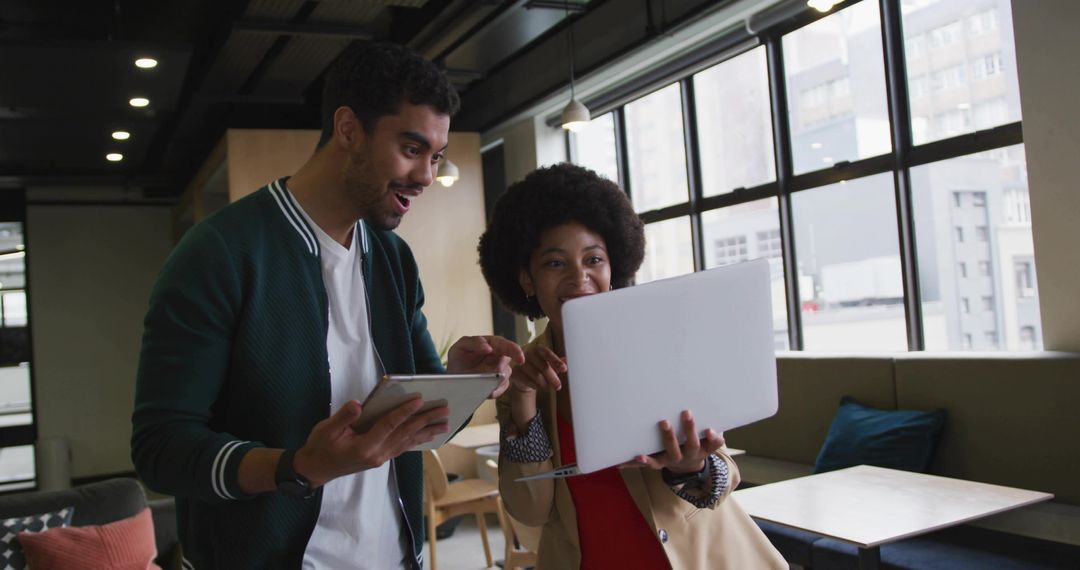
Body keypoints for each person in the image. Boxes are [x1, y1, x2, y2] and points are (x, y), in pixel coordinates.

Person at [131, 42, 523, 570]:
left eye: (435, 157)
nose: (427, 176)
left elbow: (420, 425)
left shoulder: (391, 258)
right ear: (348, 129)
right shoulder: (220, 254)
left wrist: (457, 380)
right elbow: (160, 449)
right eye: (411, 148)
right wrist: (298, 467)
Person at [477, 163, 786, 569]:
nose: (579, 277)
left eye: (594, 259)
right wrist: (523, 399)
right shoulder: (519, 377)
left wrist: (690, 467)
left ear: (613, 266)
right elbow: (530, 512)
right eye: (555, 263)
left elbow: (723, 478)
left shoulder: (658, 344)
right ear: (527, 279)